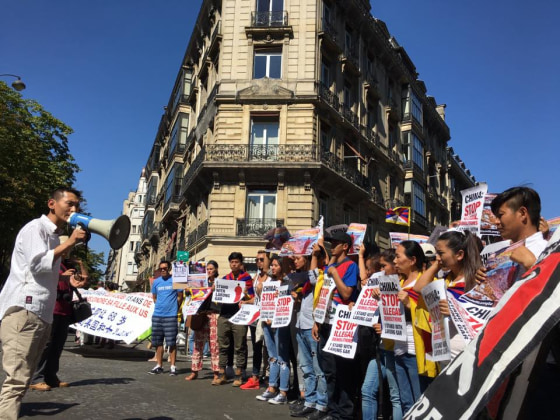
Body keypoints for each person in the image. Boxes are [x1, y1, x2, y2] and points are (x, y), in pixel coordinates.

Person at [0, 187, 87, 419]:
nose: (74, 209)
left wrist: (66, 277)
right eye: (69, 203)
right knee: (17, 379)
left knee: (25, 375)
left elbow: (40, 272)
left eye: (77, 205)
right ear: (52, 203)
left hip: (40, 313)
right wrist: (69, 243)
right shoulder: (35, 229)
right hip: (25, 310)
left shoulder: (52, 236)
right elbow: (37, 265)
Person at [414, 230, 483, 361]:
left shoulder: (477, 281)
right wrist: (437, 264)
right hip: (445, 354)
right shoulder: (446, 280)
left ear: (459, 255)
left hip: (465, 355)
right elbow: (419, 288)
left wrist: (456, 310)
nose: (437, 257)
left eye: (440, 253)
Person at [30, 239, 89, 391]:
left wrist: (81, 264)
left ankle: (51, 377)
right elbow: (40, 280)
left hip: (64, 310)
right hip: (51, 309)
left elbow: (82, 282)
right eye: (66, 248)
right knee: (46, 346)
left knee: (57, 346)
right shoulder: (50, 263)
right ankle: (37, 378)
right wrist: (62, 276)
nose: (67, 251)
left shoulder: (66, 266)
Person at [312, 231, 359, 420]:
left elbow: (347, 293)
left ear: (345, 246)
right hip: (325, 322)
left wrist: (333, 274)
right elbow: (323, 295)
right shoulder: (331, 265)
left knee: (342, 371)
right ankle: (332, 411)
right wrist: (317, 321)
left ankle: (344, 413)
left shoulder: (350, 266)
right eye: (331, 243)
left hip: (339, 325)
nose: (332, 246)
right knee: (329, 371)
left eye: (336, 243)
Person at [393, 240, 437, 414]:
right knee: (405, 401)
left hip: (416, 349)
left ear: (412, 260)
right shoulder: (395, 282)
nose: (394, 261)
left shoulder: (426, 282)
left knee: (419, 402)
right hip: (398, 348)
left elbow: (433, 316)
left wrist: (409, 304)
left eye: (398, 256)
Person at [256, 256, 292, 405]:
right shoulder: (269, 282)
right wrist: (260, 290)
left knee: (282, 357)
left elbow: (288, 302)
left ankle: (283, 391)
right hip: (267, 322)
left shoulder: (287, 282)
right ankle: (272, 388)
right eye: (272, 265)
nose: (273, 268)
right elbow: (263, 299)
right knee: (272, 357)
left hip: (280, 324)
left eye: (276, 265)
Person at [215, 252, 254, 386]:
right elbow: (218, 299)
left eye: (236, 262)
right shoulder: (225, 279)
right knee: (223, 345)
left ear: (241, 263)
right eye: (232, 262)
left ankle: (239, 374)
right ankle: (222, 373)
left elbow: (252, 297)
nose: (234, 264)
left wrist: (246, 296)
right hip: (224, 315)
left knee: (240, 346)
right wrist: (216, 292)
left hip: (239, 316)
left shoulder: (247, 278)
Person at [185, 260, 220, 383]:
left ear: (216, 270)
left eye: (211, 269)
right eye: (208, 269)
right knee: (197, 344)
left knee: (214, 344)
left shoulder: (219, 283)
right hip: (201, 314)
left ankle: (216, 372)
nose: (209, 271)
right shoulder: (199, 282)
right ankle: (194, 370)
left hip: (214, 314)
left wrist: (215, 289)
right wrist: (188, 290)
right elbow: (191, 296)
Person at [148, 260, 183, 376]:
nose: (163, 270)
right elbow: (154, 297)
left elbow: (180, 297)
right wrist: (160, 306)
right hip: (157, 315)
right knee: (158, 342)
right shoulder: (156, 282)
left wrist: (174, 308)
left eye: (165, 268)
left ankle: (173, 366)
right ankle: (159, 365)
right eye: (161, 268)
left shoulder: (176, 281)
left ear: (169, 269)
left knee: (171, 342)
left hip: (171, 316)